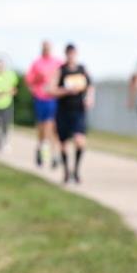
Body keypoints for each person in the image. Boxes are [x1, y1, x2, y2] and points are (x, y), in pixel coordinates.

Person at [50, 44, 94, 184]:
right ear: (66, 54)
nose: (71, 56)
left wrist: (89, 98)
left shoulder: (82, 69)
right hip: (63, 111)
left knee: (80, 141)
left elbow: (90, 86)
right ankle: (66, 172)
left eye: (73, 53)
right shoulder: (61, 71)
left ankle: (76, 171)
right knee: (64, 144)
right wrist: (66, 91)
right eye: (69, 53)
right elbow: (51, 90)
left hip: (78, 110)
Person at [25, 41, 64, 168]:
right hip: (40, 98)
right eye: (44, 48)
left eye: (48, 48)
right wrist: (37, 81)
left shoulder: (57, 63)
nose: (46, 50)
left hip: (53, 99)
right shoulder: (37, 63)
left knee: (52, 126)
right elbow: (29, 81)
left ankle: (53, 155)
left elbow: (64, 77)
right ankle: (41, 151)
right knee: (42, 127)